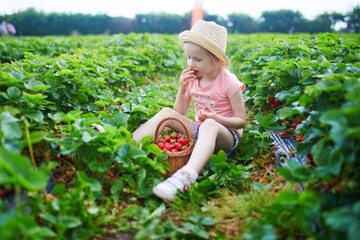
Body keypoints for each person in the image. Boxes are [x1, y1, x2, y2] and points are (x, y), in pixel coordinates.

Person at [132, 20, 246, 200]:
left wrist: (216, 118)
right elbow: (180, 113)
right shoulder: (193, 78)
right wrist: (182, 88)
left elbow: (241, 120)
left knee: (209, 123)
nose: (191, 64)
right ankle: (127, 146)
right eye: (188, 58)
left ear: (217, 59)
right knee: (166, 112)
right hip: (201, 132)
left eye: (198, 59)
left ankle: (186, 177)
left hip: (226, 136)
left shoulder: (229, 82)